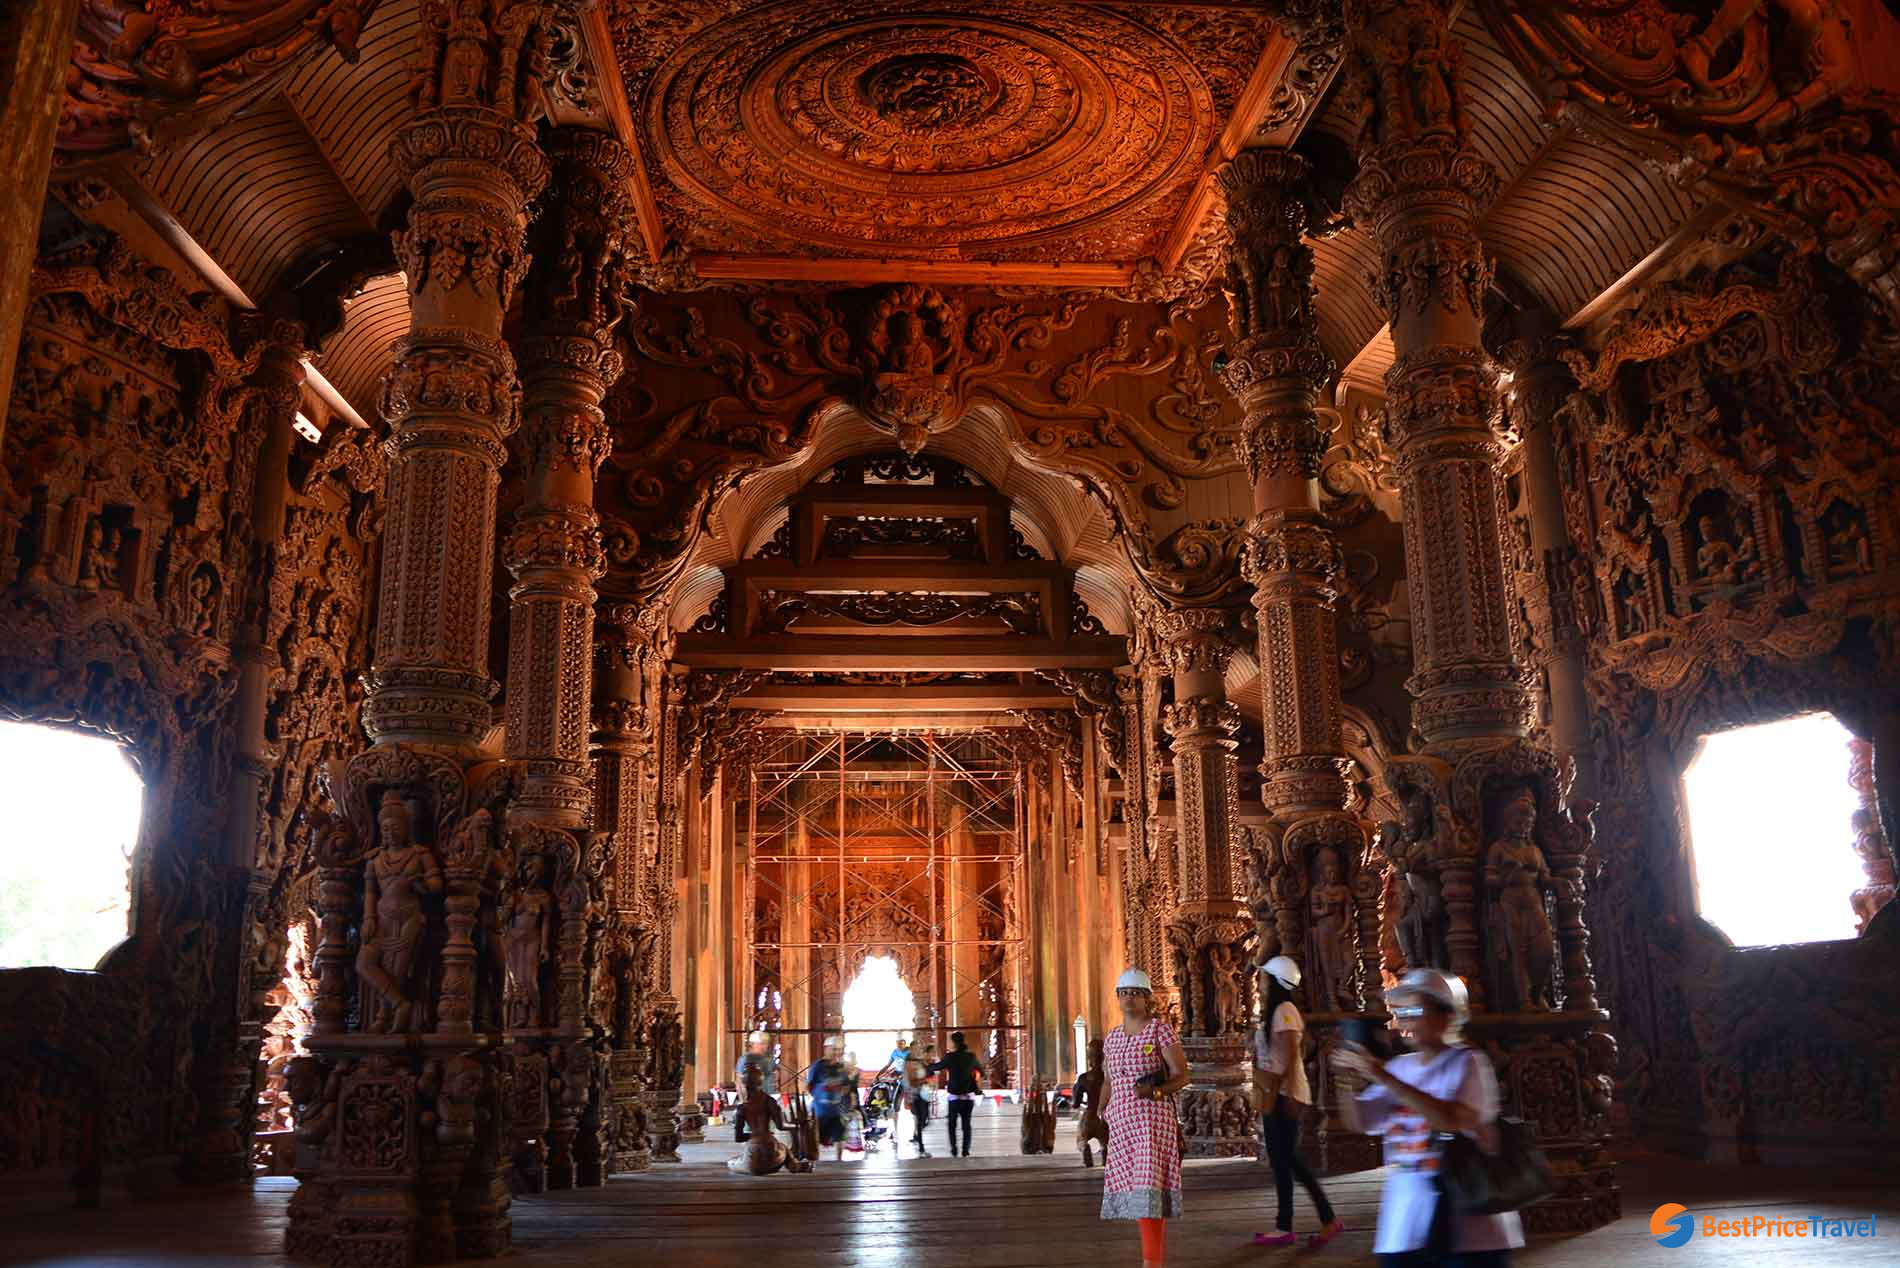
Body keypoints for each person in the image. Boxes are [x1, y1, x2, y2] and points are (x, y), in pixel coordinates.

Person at [1331, 968, 1523, 1267]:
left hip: (1469, 1227)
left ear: (1447, 1015)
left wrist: (1380, 1075)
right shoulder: (1399, 1067)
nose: (1404, 1019)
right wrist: (1346, 1081)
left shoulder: (1470, 1063)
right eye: (1400, 1011)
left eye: (1415, 1009)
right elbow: (1361, 1122)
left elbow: (1451, 1119)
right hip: (1405, 1222)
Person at [1252, 956, 1342, 1247]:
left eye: (1265, 978)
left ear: (1276, 982)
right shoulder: (1276, 1011)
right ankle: (1285, 1225)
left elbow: (1293, 1053)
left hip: (1283, 1093)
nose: (1260, 982)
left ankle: (1326, 1219)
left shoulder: (1285, 1010)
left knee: (1288, 1159)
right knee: (1282, 1160)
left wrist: (1290, 1092)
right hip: (1274, 1091)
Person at [1100, 968, 1187, 1267]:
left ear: (1147, 998)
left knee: (1149, 1186)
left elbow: (1181, 1075)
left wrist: (1158, 1092)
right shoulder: (1112, 1038)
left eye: (1135, 993)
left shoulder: (1159, 1030)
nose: (1128, 998)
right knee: (1136, 1190)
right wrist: (1102, 1109)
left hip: (1152, 1120)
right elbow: (1108, 1080)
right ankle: (1151, 1258)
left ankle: (1152, 1260)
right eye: (1123, 993)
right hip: (1122, 1121)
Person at [726, 1064, 791, 1175]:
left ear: (744, 1084)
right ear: (761, 1082)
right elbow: (781, 1126)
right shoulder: (770, 1102)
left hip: (752, 1156)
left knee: (731, 1162)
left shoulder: (742, 1108)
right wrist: (796, 1125)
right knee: (784, 1148)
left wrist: (755, 1135)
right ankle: (794, 1165)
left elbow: (738, 1137)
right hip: (772, 1151)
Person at [928, 1031, 983, 1156]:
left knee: (952, 1124)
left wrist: (926, 1064)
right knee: (966, 1124)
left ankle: (954, 1148)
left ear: (953, 1042)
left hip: (954, 1098)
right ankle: (966, 1150)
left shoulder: (950, 1057)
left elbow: (936, 1067)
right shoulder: (971, 1056)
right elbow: (982, 1072)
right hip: (968, 1097)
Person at [804, 1038, 849, 1160]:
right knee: (818, 1137)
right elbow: (809, 1085)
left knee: (839, 1137)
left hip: (837, 1110)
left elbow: (845, 1085)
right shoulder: (818, 1066)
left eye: (839, 1050)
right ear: (826, 1049)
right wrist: (819, 1096)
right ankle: (817, 1162)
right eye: (834, 1049)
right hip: (820, 1111)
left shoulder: (841, 1067)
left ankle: (839, 1161)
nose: (836, 1053)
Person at [734, 1032, 777, 1142]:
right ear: (752, 1044)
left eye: (766, 1044)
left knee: (769, 1129)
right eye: (762, 1043)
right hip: (752, 1101)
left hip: (767, 1098)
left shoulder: (769, 1059)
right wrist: (744, 1100)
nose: (765, 1046)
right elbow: (739, 1081)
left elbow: (775, 1075)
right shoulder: (745, 1059)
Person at [905, 1041, 936, 1155]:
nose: (917, 1051)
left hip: (924, 1092)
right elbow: (909, 1079)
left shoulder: (921, 1061)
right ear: (911, 1049)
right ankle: (921, 1145)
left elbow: (929, 1072)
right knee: (919, 1117)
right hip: (914, 1093)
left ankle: (918, 1136)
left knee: (924, 1118)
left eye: (918, 1048)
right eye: (915, 1049)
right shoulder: (908, 1062)